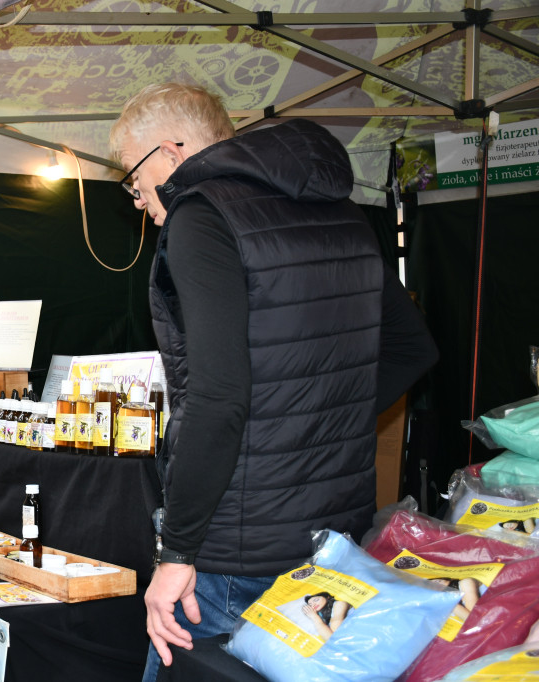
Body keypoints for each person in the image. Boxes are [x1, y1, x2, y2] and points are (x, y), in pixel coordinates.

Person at [109, 83, 439, 679]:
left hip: (235, 547)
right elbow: (413, 348)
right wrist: (317, 425)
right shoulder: (340, 211)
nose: (138, 199)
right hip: (335, 539)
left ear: (171, 151)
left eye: (135, 177)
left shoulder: (202, 215)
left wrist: (177, 552)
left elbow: (217, 397)